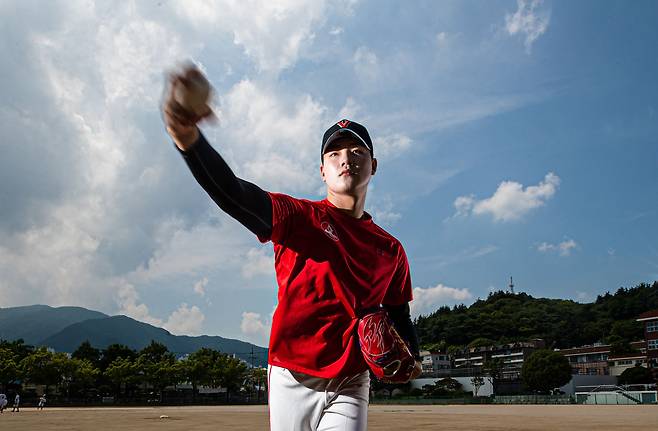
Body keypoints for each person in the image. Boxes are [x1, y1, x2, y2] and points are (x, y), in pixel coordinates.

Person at [162, 67, 421, 431]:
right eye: (334, 153)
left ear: (373, 165)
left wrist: (414, 357)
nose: (346, 157)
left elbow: (399, 312)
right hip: (291, 373)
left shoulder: (390, 249)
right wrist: (188, 138)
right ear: (322, 170)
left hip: (351, 377)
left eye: (357, 150)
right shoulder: (300, 217)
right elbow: (234, 195)